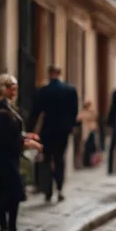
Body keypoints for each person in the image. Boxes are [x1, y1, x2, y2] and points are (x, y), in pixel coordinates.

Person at [0, 74, 42, 231]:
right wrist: (29, 143)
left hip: (10, 157)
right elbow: (6, 138)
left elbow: (13, 133)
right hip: (5, 158)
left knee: (11, 195)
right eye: (13, 87)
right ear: (3, 88)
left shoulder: (8, 108)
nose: (15, 91)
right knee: (8, 194)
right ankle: (6, 230)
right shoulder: (0, 110)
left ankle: (10, 230)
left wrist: (26, 136)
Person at [29, 65, 78, 202]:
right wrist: (71, 127)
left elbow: (35, 112)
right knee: (60, 159)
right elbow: (74, 112)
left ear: (50, 74)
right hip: (62, 131)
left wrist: (30, 129)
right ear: (60, 74)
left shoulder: (43, 91)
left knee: (46, 159)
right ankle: (60, 189)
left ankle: (48, 190)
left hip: (48, 130)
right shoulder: (70, 90)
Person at [77, 101, 99, 167]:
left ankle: (91, 162)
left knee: (91, 148)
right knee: (88, 148)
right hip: (87, 132)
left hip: (90, 131)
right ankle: (88, 162)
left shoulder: (90, 112)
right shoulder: (85, 113)